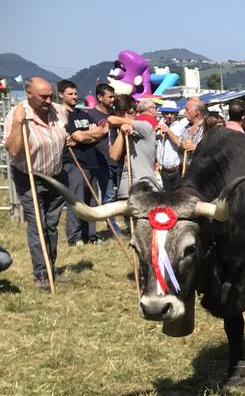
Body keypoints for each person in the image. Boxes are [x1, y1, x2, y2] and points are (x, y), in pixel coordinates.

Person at [4, 77, 69, 288]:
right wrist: (17, 123)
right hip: (29, 177)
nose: (48, 100)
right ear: (28, 94)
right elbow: (13, 150)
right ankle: (41, 274)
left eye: (51, 95)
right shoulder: (18, 114)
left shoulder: (58, 110)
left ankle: (52, 267)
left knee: (51, 225)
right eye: (43, 96)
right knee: (38, 225)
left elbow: (68, 130)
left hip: (56, 176)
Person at [58, 79, 110, 244]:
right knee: (77, 200)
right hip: (73, 163)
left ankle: (91, 235)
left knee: (92, 201)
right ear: (61, 95)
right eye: (70, 94)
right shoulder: (62, 116)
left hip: (91, 162)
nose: (74, 96)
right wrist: (88, 135)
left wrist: (85, 135)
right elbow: (79, 136)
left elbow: (98, 132)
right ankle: (75, 237)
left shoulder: (83, 114)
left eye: (75, 93)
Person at [107, 95, 158, 195]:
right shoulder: (114, 130)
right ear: (116, 113)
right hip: (125, 190)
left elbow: (111, 119)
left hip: (146, 189)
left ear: (137, 112)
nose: (126, 117)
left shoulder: (145, 126)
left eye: (130, 113)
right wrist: (122, 133)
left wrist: (125, 122)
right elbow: (114, 156)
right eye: (122, 114)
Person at [156, 102, 186, 189]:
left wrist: (168, 131)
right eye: (166, 113)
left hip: (176, 170)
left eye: (172, 113)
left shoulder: (180, 126)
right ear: (163, 114)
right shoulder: (159, 126)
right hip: (163, 170)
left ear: (176, 114)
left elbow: (179, 143)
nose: (169, 116)